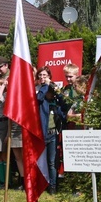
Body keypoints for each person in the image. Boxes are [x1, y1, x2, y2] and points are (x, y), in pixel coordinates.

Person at [36, 66, 67, 194]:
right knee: (40, 161)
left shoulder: (55, 93)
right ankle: (42, 184)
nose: (42, 78)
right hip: (40, 133)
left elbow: (64, 102)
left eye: (45, 75)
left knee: (52, 161)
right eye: (40, 75)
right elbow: (39, 98)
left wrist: (53, 87)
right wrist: (45, 86)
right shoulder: (39, 91)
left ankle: (53, 186)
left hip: (52, 132)